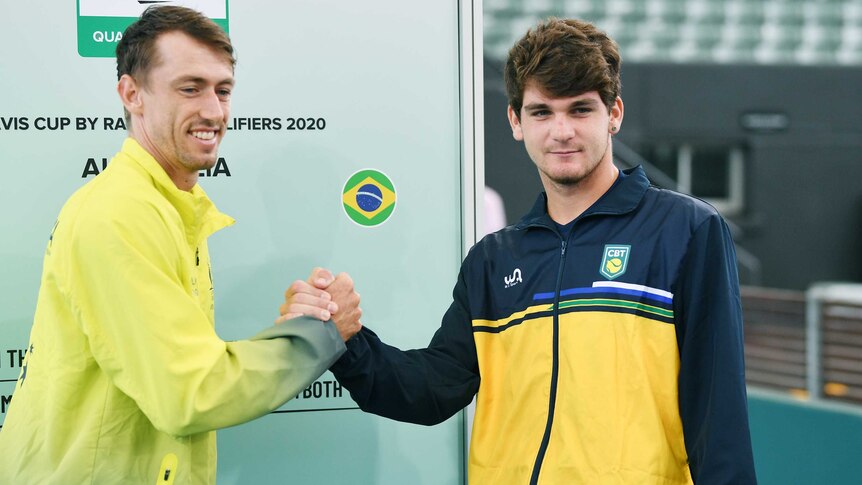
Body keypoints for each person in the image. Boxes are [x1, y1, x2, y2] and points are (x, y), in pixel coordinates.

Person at [292, 18, 757, 485]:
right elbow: (431, 389)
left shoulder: (686, 230)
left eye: (580, 110)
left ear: (613, 114)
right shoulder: (493, 259)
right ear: (515, 121)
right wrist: (348, 341)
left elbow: (718, 418)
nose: (561, 132)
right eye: (541, 112)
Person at [0, 6, 361, 484]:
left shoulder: (168, 207)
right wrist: (319, 336)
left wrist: (299, 328)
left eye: (223, 90)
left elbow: (184, 369)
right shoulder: (120, 214)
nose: (213, 110)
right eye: (190, 88)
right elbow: (191, 391)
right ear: (132, 95)